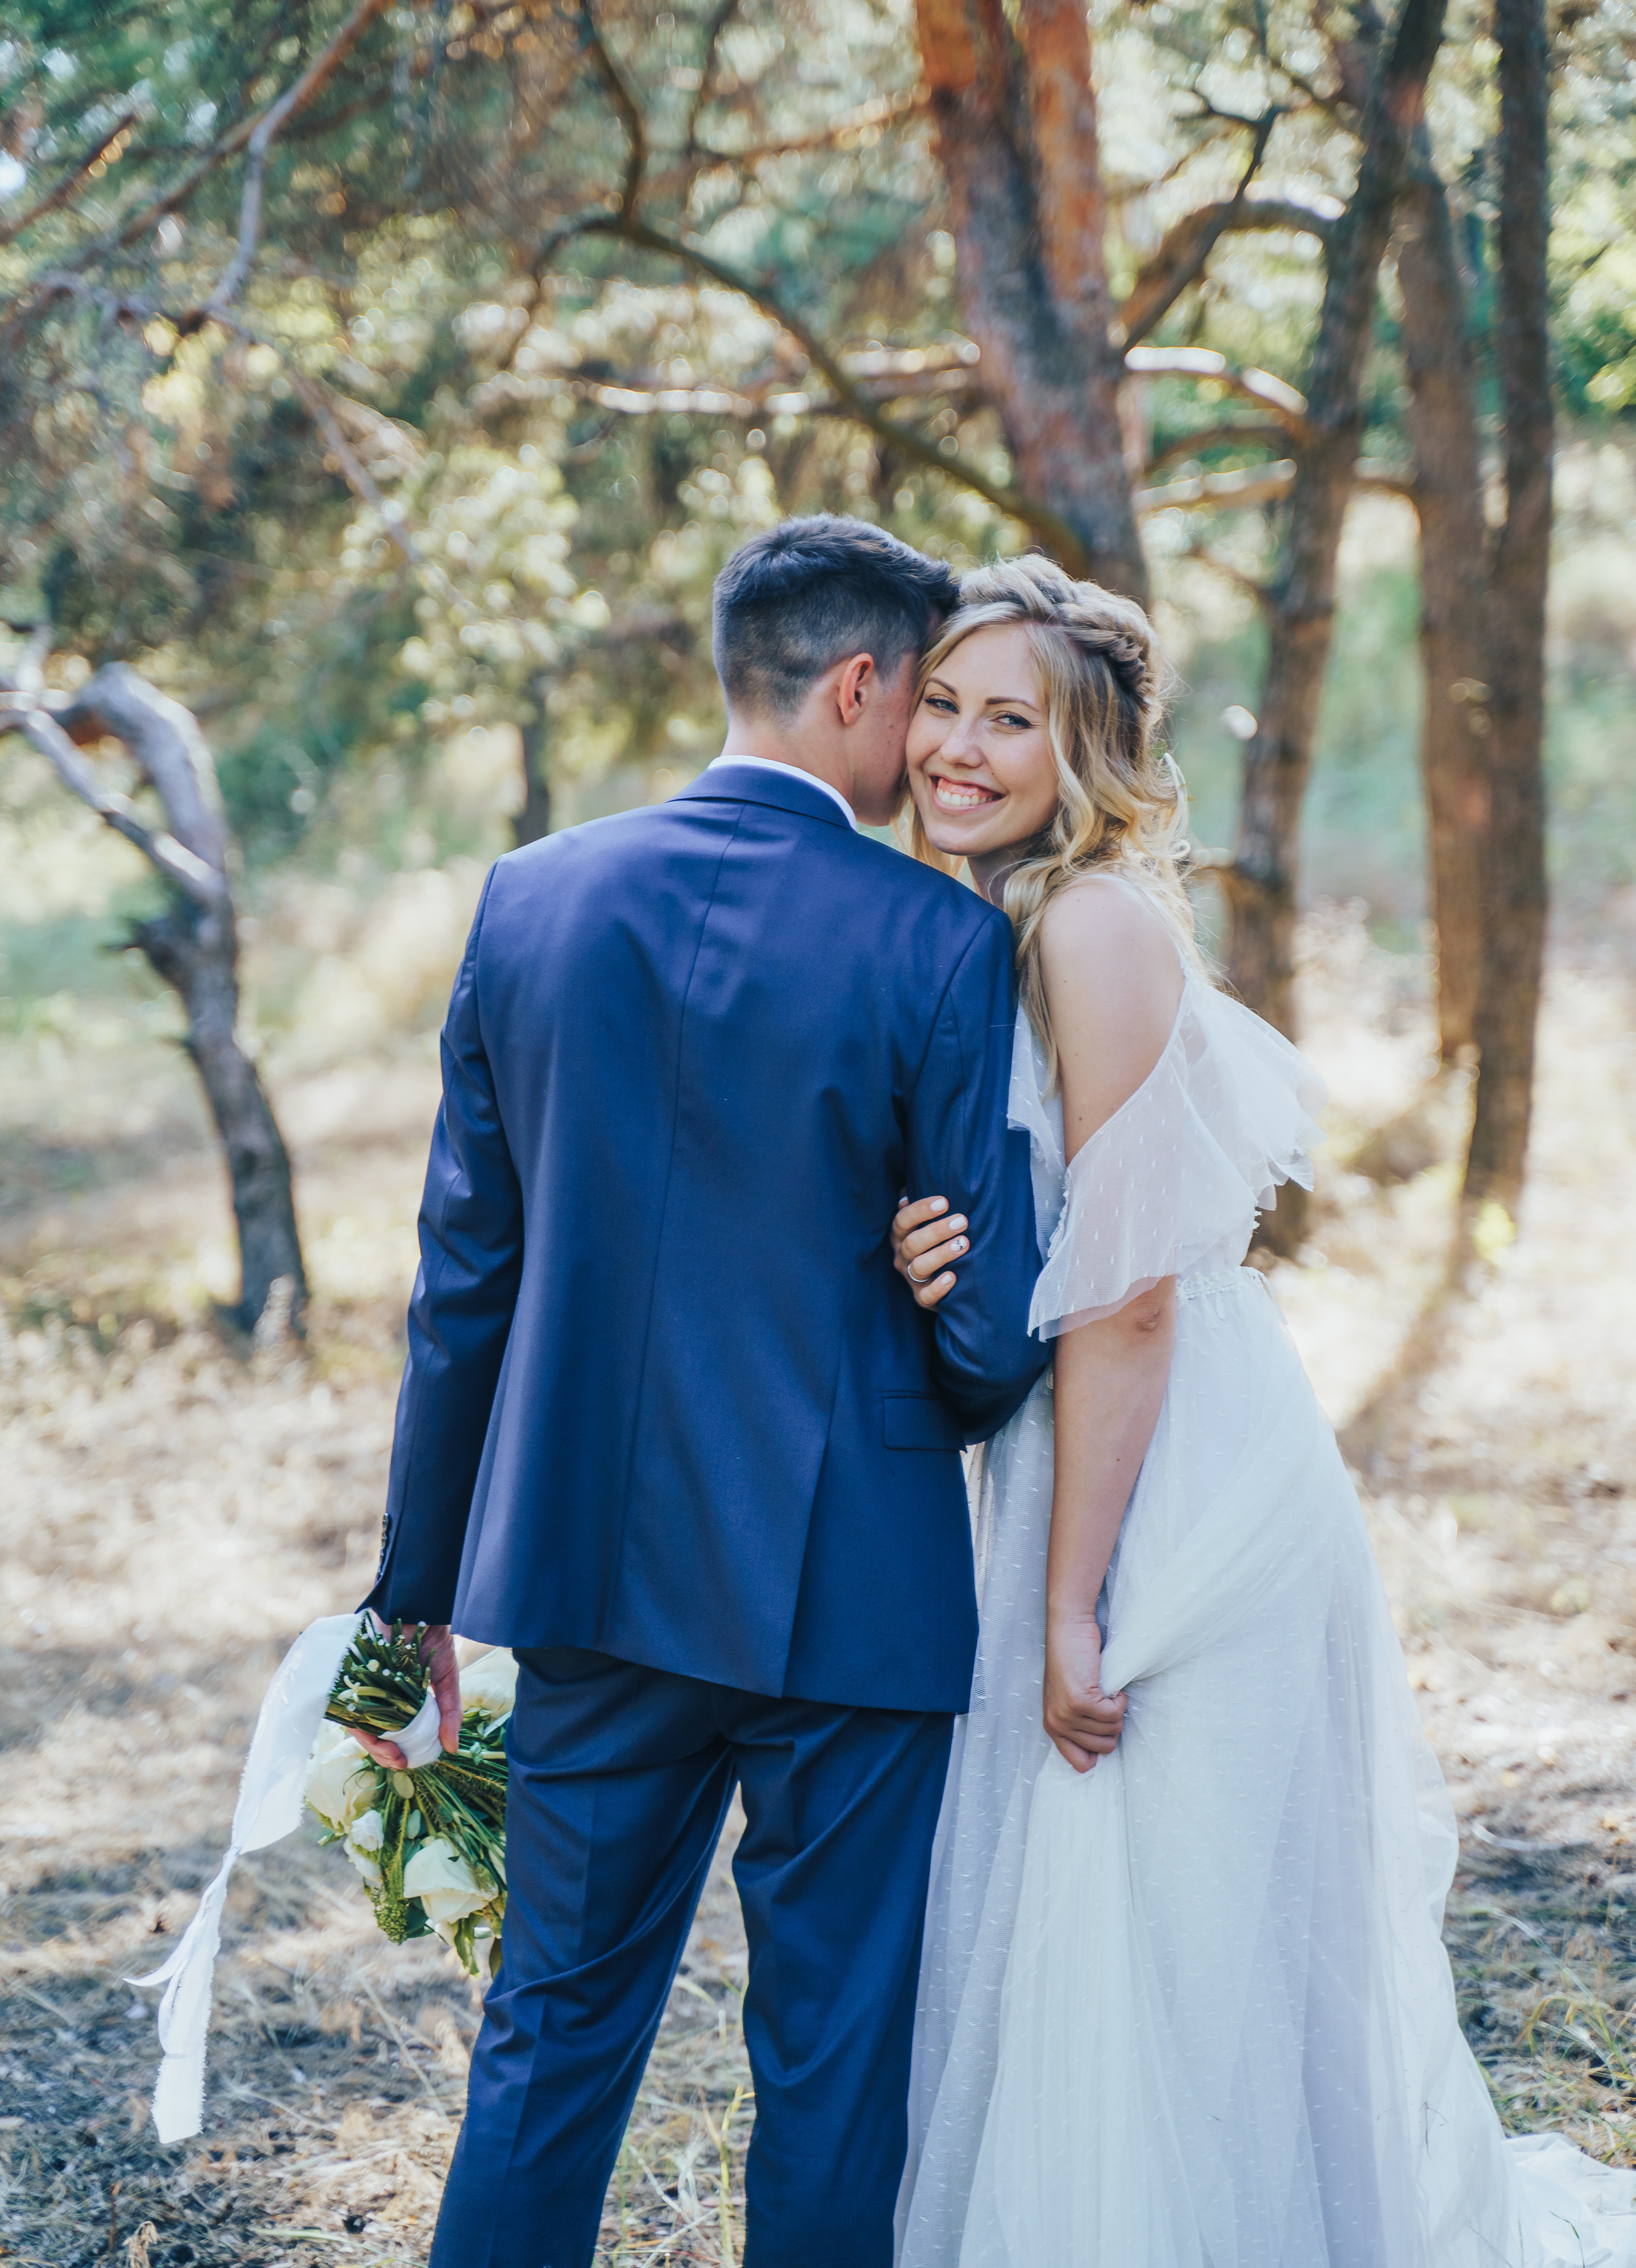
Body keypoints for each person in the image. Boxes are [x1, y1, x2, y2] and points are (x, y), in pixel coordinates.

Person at [888, 554, 1636, 2268]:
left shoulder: (1084, 924)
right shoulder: (1000, 922)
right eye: (943, 703)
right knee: (1117, 1904)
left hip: (1169, 1474)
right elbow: (1052, 1237)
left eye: (1013, 720)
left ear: (1088, 758)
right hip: (1093, 1440)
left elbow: (1134, 1295)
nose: (959, 748)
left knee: (1167, 1902)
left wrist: (1075, 1604)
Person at [355, 515, 1053, 2268]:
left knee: (550, 2040)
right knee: (832, 2070)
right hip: (856, 1593)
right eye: (929, 703)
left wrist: (412, 1597)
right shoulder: (938, 943)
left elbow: (463, 1289)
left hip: (590, 1577)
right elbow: (986, 1345)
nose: (942, 750)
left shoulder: (534, 898)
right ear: (857, 686)